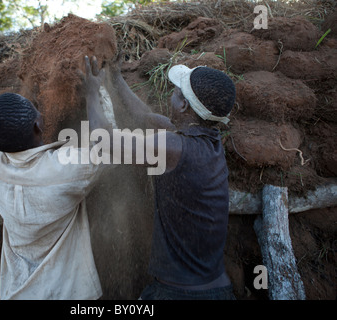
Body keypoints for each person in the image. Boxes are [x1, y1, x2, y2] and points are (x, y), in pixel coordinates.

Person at [98, 55, 237, 300]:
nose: (169, 97)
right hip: (215, 290)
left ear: (183, 106)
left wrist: (91, 91)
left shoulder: (174, 147)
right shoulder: (208, 142)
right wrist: (117, 78)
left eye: (175, 93)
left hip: (181, 295)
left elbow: (106, 142)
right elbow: (147, 117)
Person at [0, 60, 112, 299]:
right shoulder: (62, 171)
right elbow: (104, 146)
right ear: (38, 125)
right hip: (66, 293)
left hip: (16, 292)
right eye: (35, 110)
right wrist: (94, 93)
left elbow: (3, 136)